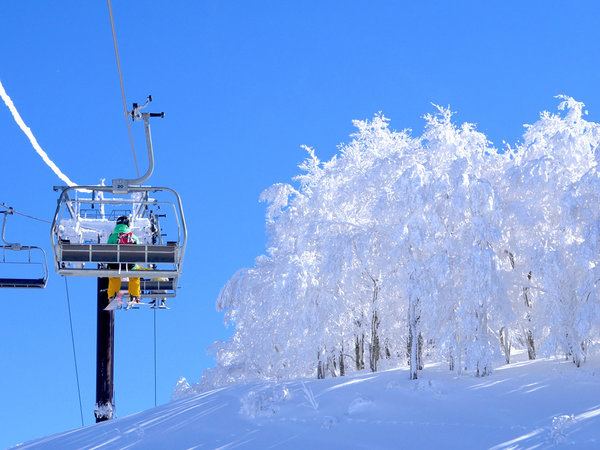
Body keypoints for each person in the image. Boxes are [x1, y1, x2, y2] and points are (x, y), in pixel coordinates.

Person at [107, 215, 141, 306]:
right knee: (135, 276)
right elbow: (139, 249)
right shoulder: (133, 236)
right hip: (130, 265)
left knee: (114, 277)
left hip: (115, 265)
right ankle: (134, 295)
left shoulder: (113, 237)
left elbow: (107, 249)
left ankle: (112, 295)